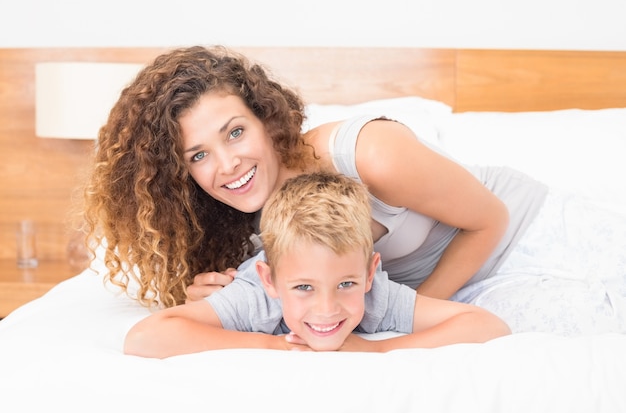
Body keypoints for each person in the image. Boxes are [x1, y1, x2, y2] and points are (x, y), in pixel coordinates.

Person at [85, 45, 626, 335]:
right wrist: (211, 293)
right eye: (197, 155)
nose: (228, 164)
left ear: (267, 118)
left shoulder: (369, 154)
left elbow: (490, 219)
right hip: (459, 291)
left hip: (531, 235)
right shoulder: (233, 213)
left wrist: (396, 322)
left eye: (235, 132)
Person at [124, 172, 511, 358]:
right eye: (304, 288)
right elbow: (144, 337)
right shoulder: (256, 297)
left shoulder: (374, 294)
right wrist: (274, 344)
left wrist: (379, 351)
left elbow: (487, 325)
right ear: (271, 279)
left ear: (369, 272)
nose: (327, 310)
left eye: (344, 284)